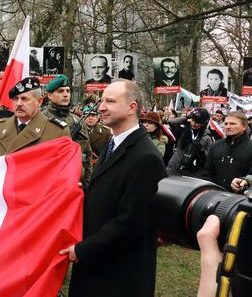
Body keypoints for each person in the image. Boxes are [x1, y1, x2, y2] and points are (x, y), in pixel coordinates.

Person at [60, 80, 167, 297]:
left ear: (131, 107)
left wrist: (83, 250)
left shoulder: (146, 157)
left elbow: (132, 222)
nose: (100, 107)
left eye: (110, 101)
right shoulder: (113, 142)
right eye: (102, 101)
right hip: (98, 266)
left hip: (119, 275)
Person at [0, 77, 69, 159]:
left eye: (24, 99)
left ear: (39, 101)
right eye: (15, 99)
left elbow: (68, 170)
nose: (19, 103)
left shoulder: (57, 132)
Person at [41, 75, 93, 187]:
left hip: (76, 182)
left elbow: (87, 156)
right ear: (49, 95)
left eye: (68, 91)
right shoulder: (40, 119)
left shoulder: (77, 121)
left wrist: (88, 187)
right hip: (48, 184)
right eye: (60, 91)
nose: (65, 94)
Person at [203, 111, 252, 193]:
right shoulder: (215, 146)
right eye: (226, 124)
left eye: (232, 124)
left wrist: (245, 181)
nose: (228, 127)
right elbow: (207, 173)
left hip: (240, 200)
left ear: (244, 126)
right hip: (215, 196)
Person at [166, 108, 213, 178]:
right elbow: (171, 122)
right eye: (193, 120)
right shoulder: (184, 131)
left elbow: (209, 158)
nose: (193, 124)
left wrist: (201, 150)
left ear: (203, 123)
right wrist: (187, 118)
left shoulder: (207, 138)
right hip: (174, 169)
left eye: (197, 122)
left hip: (193, 173)